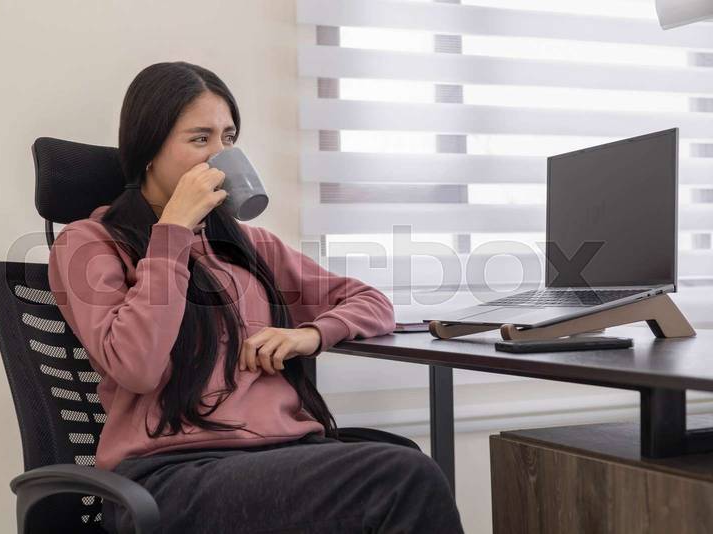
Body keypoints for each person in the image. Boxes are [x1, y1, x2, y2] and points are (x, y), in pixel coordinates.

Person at [47, 61, 464, 534]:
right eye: (200, 139)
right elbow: (136, 366)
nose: (219, 156)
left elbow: (370, 301)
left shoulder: (252, 244)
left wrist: (310, 334)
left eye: (228, 138)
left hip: (282, 457)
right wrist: (172, 236)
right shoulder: (88, 244)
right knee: (400, 477)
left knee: (400, 462)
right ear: (148, 150)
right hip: (169, 476)